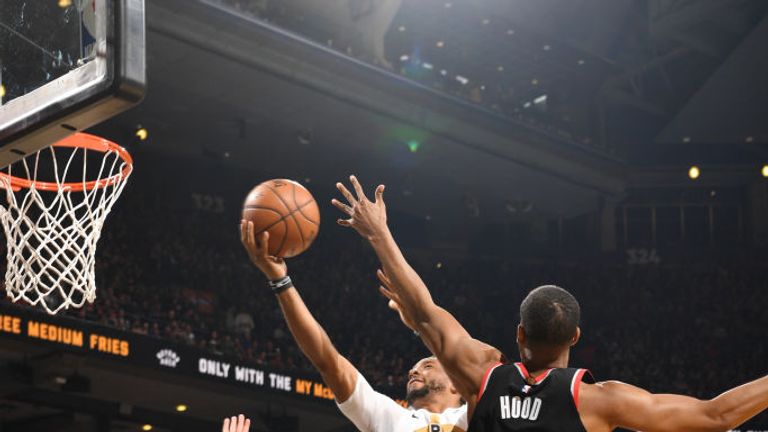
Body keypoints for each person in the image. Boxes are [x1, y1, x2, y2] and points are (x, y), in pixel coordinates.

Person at [332, 175, 768, 432]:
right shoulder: (597, 400)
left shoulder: (482, 376)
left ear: (520, 333)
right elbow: (717, 415)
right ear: (575, 336)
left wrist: (380, 235)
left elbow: (424, 308)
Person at [239, 220, 469, 431]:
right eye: (417, 367)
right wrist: (280, 281)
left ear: (456, 385)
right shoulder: (390, 417)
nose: (413, 371)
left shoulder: (476, 414)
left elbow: (478, 356)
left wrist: (422, 324)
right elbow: (328, 362)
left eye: (428, 365)